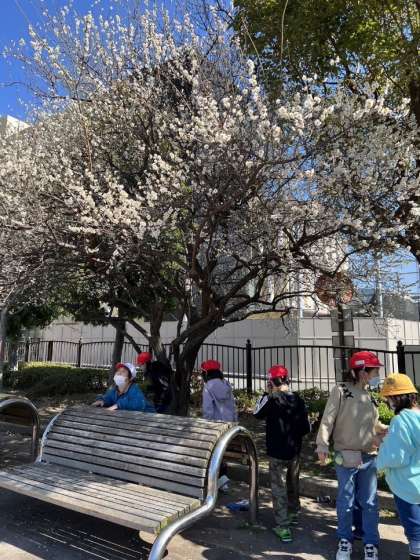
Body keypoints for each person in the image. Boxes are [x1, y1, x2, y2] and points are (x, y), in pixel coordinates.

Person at [316, 351, 388, 560]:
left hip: (369, 456)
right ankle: (344, 541)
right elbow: (327, 420)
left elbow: (372, 424)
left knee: (370, 502)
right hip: (345, 455)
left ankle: (371, 543)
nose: (377, 375)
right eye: (375, 371)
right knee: (346, 500)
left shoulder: (369, 396)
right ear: (363, 371)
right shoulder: (341, 391)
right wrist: (322, 444)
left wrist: (385, 429)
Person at [254, 364, 311, 543]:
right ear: (288, 380)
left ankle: (283, 526)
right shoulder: (298, 400)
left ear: (271, 382)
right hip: (294, 450)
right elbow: (306, 427)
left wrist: (266, 393)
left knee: (278, 487)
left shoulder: (271, 401)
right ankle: (293, 512)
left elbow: (256, 413)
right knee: (293, 482)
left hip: (276, 451)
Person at [377, 373, 420, 560]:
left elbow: (396, 456)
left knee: (414, 529)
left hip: (406, 485)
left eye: (388, 398)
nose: (387, 402)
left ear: (396, 398)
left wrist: (379, 450)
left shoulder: (400, 420)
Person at [201, 359, 237, 492]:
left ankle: (217, 482)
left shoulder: (208, 386)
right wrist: (234, 422)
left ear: (206, 372)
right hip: (229, 424)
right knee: (223, 452)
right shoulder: (226, 384)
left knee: (214, 454)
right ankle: (224, 481)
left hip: (215, 426)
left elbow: (208, 410)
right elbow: (233, 405)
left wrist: (207, 425)